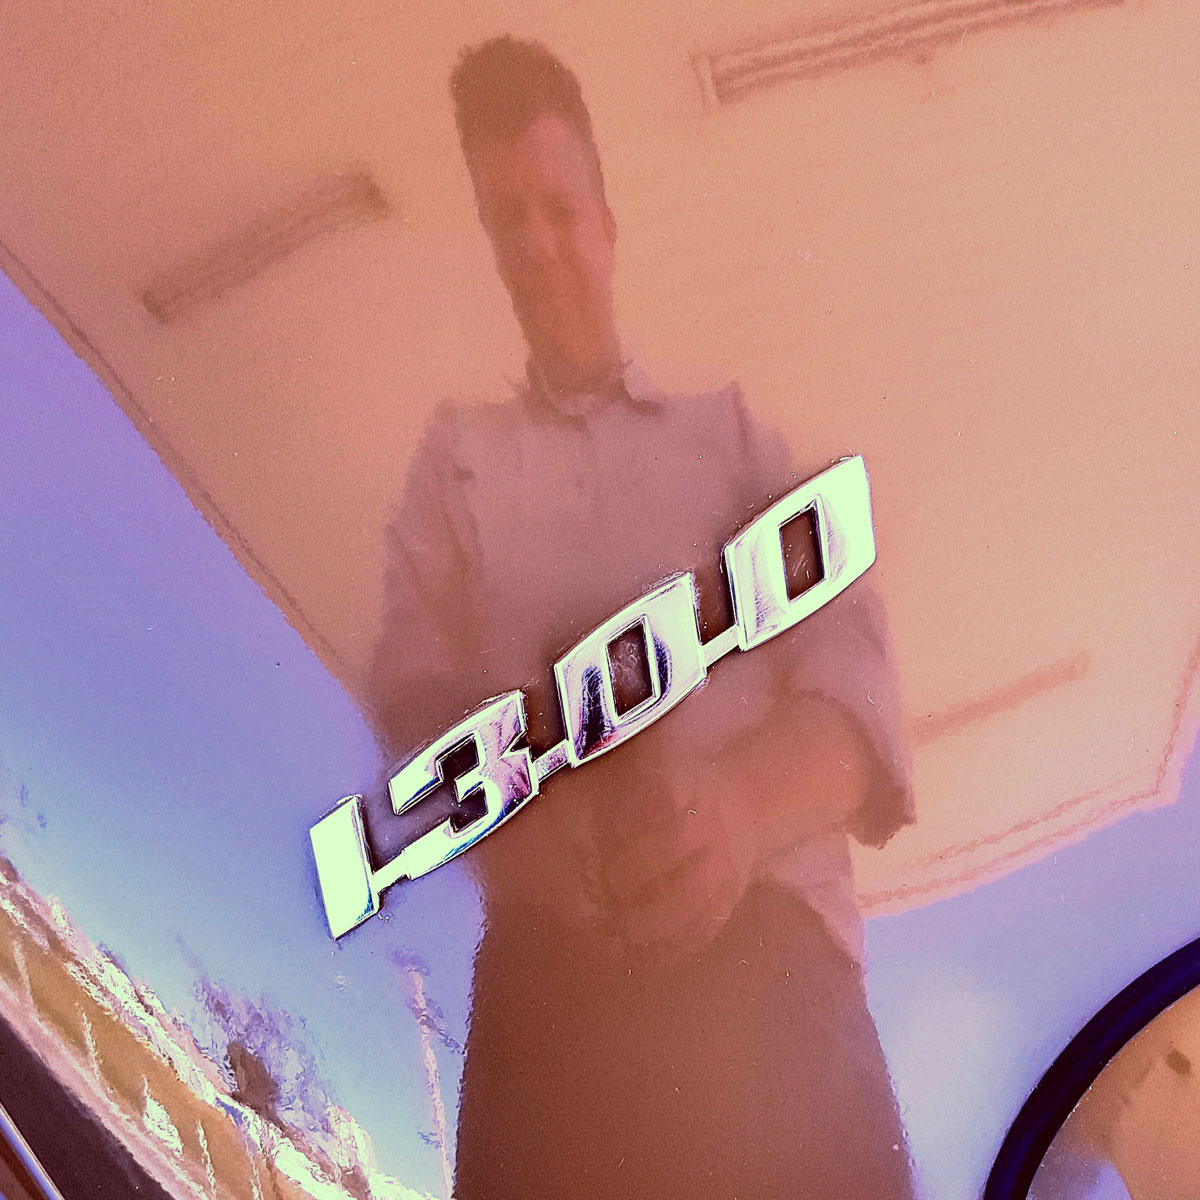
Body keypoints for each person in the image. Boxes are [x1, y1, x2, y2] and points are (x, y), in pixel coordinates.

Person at [365, 34, 916, 1200]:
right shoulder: (455, 465)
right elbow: (411, 692)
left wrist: (739, 807)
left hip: (776, 992)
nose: (538, 243)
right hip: (552, 995)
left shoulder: (735, 437)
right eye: (508, 217)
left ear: (608, 228)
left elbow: (853, 678)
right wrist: (516, 831)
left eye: (559, 209)